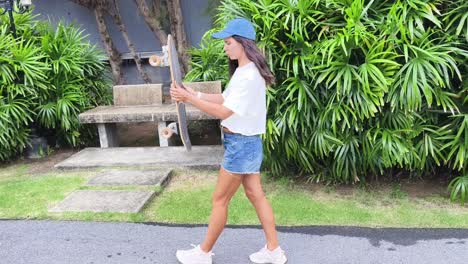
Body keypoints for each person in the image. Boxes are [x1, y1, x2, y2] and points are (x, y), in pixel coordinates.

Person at [170, 17, 287, 264]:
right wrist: (194, 94)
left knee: (220, 199)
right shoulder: (245, 71)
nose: (225, 47)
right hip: (247, 143)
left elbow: (224, 113)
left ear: (243, 43)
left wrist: (188, 100)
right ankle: (274, 250)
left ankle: (202, 253)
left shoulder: (248, 76)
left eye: (228, 42)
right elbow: (224, 100)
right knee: (256, 195)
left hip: (241, 146)